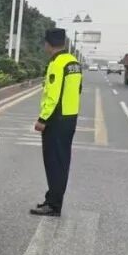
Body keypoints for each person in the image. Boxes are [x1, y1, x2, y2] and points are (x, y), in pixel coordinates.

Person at [31, 27, 83, 217]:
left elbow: (53, 94)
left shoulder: (57, 63)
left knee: (53, 162)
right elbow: (77, 90)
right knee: (62, 162)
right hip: (70, 118)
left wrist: (43, 119)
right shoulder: (73, 62)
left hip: (56, 120)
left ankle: (52, 205)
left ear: (48, 44)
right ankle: (54, 201)